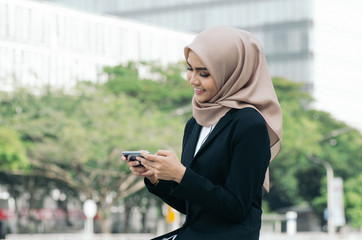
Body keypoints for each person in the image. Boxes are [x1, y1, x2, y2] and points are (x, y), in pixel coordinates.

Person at [122, 25, 282, 240]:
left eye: (204, 73)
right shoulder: (196, 122)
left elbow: (236, 207)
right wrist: (157, 178)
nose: (192, 80)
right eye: (190, 69)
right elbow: (194, 206)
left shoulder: (249, 124)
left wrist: (180, 174)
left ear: (232, 72)